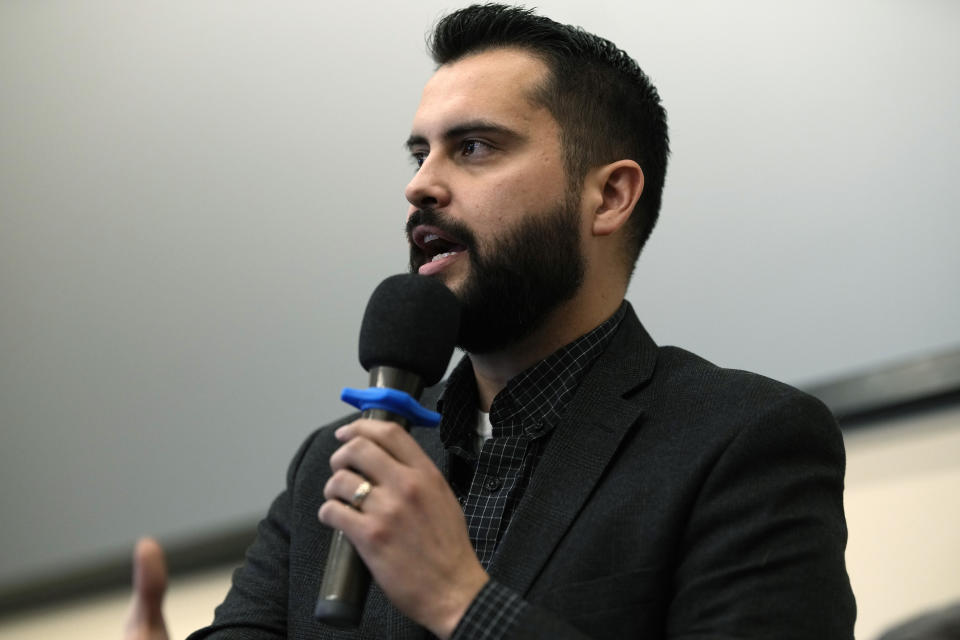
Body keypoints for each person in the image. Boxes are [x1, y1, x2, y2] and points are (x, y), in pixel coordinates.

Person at [125, 5, 856, 639]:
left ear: (608, 198)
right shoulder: (336, 463)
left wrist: (459, 602)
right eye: (420, 154)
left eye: (473, 148)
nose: (420, 186)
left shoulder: (742, 440)